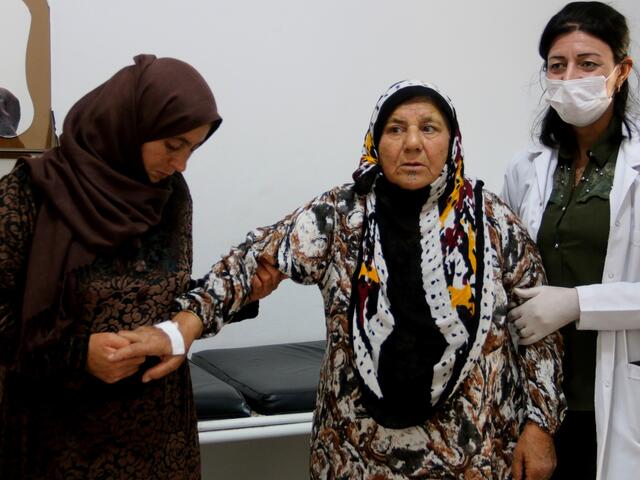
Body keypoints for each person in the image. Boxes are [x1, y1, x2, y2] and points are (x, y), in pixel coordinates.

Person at [115, 80, 566, 479]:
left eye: (429, 128)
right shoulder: (341, 215)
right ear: (375, 139)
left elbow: (538, 332)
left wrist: (540, 425)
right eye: (395, 129)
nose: (412, 143)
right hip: (354, 452)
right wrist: (182, 328)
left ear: (452, 141)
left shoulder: (493, 223)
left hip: (474, 453)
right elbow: (253, 260)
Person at [0, 54, 277, 479]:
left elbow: (167, 295)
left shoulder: (170, 195)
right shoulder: (29, 194)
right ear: (130, 125)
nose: (182, 164)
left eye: (193, 148)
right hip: (62, 439)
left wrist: (239, 297)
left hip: (161, 440)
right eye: (173, 145)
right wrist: (78, 356)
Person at [501, 2, 638, 479]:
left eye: (588, 64)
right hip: (541, 397)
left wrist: (579, 302)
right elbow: (507, 273)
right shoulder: (527, 168)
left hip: (622, 391)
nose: (570, 76)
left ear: (621, 71)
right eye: (557, 66)